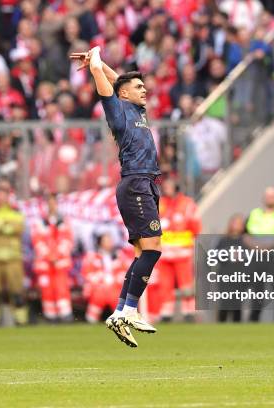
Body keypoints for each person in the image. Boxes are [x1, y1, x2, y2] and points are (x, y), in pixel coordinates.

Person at [71, 46, 162, 347]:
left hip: (145, 183)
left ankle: (121, 311)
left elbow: (119, 81)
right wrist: (95, 63)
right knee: (152, 249)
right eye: (139, 87)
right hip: (135, 182)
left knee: (141, 252)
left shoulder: (135, 109)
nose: (144, 89)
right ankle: (131, 309)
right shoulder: (118, 110)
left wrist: (104, 64)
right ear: (124, 95)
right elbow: (109, 85)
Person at [243, 186, 274, 321]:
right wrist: (258, 248)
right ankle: (253, 320)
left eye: (273, 196)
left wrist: (269, 247)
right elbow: (246, 236)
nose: (270, 199)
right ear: (263, 198)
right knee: (257, 291)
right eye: (268, 196)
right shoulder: (254, 214)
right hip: (257, 258)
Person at [157, 178, 201, 322]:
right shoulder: (159, 204)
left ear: (176, 186)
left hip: (182, 252)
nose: (166, 188)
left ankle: (188, 312)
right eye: (165, 186)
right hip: (164, 253)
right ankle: (166, 313)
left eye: (169, 185)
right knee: (165, 285)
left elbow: (195, 226)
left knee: (186, 284)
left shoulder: (187, 204)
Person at [0, 179, 26, 326]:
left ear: (8, 196)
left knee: (16, 291)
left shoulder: (16, 213)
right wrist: (6, 227)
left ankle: (21, 321)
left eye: (3, 195)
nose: (0, 198)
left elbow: (18, 228)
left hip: (13, 258)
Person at [30, 194, 74, 323]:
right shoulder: (40, 222)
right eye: (49, 203)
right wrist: (49, 255)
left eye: (54, 203)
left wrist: (57, 255)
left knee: (61, 288)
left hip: (60, 263)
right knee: (47, 290)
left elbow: (68, 240)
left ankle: (65, 316)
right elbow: (37, 241)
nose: (52, 205)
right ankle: (50, 317)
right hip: (45, 264)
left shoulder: (64, 221)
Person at [81, 233, 130, 323]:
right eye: (106, 241)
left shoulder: (119, 255)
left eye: (110, 240)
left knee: (119, 299)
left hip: (115, 288)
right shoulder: (92, 256)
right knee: (98, 297)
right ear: (100, 243)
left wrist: (115, 280)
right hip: (99, 288)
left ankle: (121, 321)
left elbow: (126, 271)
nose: (110, 243)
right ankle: (91, 320)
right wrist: (101, 280)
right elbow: (87, 273)